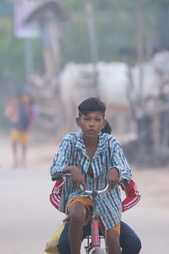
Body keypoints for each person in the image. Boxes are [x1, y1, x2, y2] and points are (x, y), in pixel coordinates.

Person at [51, 98, 133, 254]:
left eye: (97, 120)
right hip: (80, 195)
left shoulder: (111, 143)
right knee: (75, 213)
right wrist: (70, 169)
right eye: (86, 119)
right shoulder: (70, 141)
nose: (91, 124)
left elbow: (126, 169)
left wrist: (116, 170)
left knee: (114, 247)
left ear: (103, 123)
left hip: (108, 200)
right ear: (78, 121)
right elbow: (55, 168)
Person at [50, 176, 142, 254]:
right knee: (64, 245)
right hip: (81, 218)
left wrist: (117, 208)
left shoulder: (112, 161)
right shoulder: (75, 160)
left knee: (133, 244)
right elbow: (55, 194)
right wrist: (71, 210)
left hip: (108, 217)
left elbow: (134, 194)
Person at [5, 93, 36, 168]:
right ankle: (15, 161)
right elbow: (8, 113)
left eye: (27, 97)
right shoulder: (17, 105)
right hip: (16, 127)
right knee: (14, 143)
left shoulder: (31, 108)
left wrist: (31, 125)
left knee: (24, 145)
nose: (26, 99)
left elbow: (33, 117)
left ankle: (23, 161)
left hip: (25, 128)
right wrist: (13, 118)